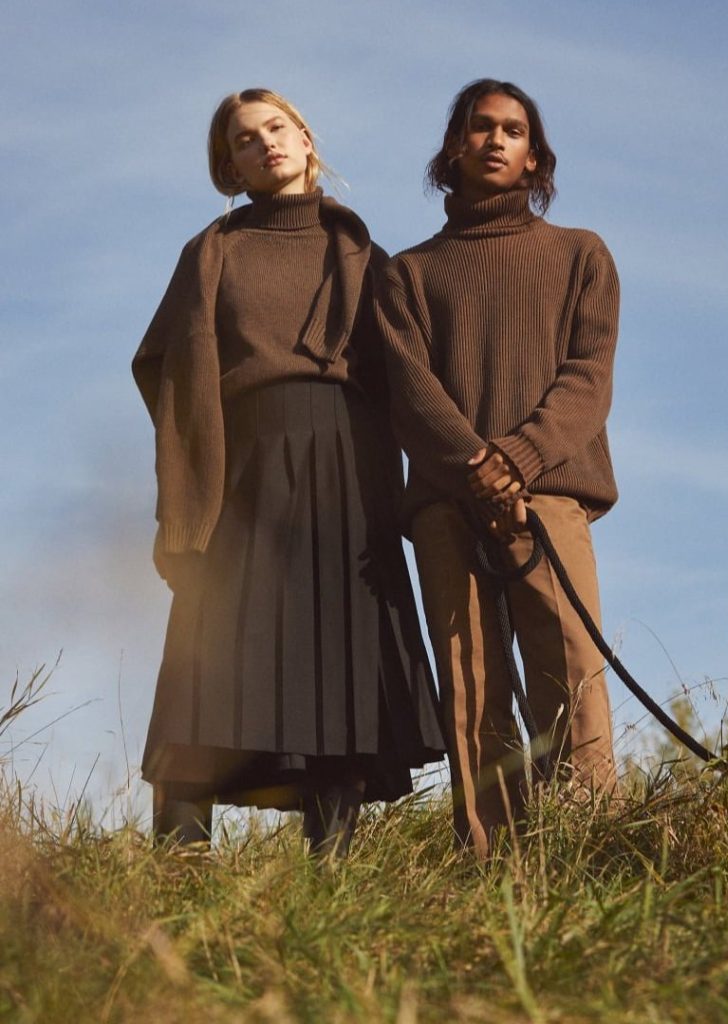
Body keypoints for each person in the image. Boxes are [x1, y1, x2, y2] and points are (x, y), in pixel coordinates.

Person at [132, 88, 444, 857]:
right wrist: (189, 494)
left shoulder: (366, 256)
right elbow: (162, 368)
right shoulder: (212, 253)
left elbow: (409, 380)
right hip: (242, 470)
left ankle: (332, 879)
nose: (264, 143)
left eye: (276, 127)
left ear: (306, 138)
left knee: (338, 668)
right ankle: (178, 874)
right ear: (229, 168)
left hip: (348, 470)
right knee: (206, 666)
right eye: (244, 139)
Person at [376, 78, 619, 857]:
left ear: (535, 156)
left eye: (513, 131)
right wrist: (476, 469)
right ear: (454, 147)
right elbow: (411, 391)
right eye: (480, 127)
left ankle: (586, 851)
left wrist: (516, 459)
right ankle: (490, 866)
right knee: (471, 687)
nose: (495, 140)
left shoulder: (582, 255)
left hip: (552, 495)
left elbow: (588, 381)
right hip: (447, 504)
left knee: (572, 677)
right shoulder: (407, 273)